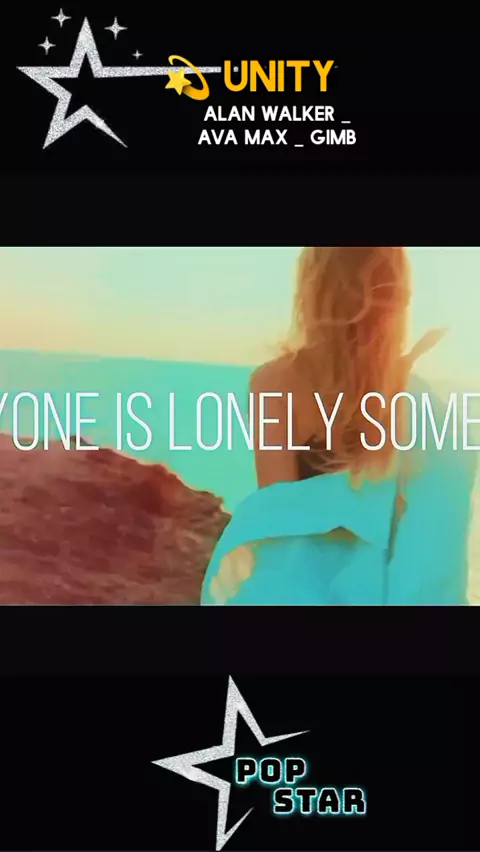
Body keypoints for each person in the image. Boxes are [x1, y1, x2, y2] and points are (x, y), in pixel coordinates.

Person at [201, 247, 477, 605]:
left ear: (313, 288)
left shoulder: (275, 383)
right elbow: (432, 540)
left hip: (299, 592)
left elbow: (277, 527)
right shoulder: (414, 398)